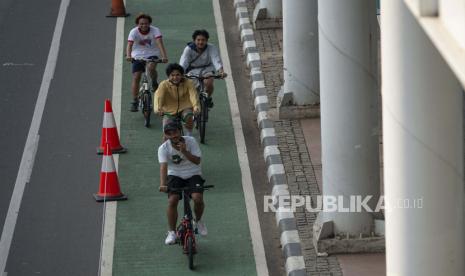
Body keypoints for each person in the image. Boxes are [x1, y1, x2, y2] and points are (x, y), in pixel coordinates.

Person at [158, 122, 207, 245]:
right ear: (166, 135)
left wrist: (184, 151)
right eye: (169, 133)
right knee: (172, 200)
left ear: (180, 131)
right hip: (175, 175)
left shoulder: (191, 141)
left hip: (193, 173)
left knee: (197, 198)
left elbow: (197, 161)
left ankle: (199, 221)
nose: (173, 135)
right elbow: (163, 167)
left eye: (175, 132)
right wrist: (163, 184)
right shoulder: (163, 148)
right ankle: (172, 232)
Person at [126, 13, 168, 112]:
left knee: (151, 68)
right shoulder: (133, 32)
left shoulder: (155, 30)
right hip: (137, 55)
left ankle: (154, 81)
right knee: (136, 77)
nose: (144, 25)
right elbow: (129, 45)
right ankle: (135, 101)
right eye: (141, 24)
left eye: (146, 23)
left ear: (149, 23)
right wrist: (128, 55)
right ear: (137, 24)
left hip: (152, 54)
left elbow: (159, 43)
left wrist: (164, 56)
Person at [179, 29, 227, 108]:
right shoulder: (188, 49)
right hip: (192, 70)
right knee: (191, 89)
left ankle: (208, 98)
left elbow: (216, 60)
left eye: (203, 40)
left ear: (207, 40)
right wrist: (180, 73)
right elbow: (183, 62)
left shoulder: (211, 48)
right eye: (198, 40)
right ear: (194, 40)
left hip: (207, 68)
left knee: (209, 81)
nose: (201, 42)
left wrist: (221, 71)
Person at [154, 63, 199, 136]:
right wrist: (158, 109)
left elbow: (193, 95)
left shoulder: (189, 83)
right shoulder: (163, 85)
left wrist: (196, 106)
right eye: (172, 75)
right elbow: (158, 97)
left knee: (189, 116)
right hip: (169, 111)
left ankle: (189, 134)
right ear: (168, 76)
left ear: (182, 75)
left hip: (185, 108)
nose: (175, 77)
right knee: (167, 134)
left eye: (178, 75)